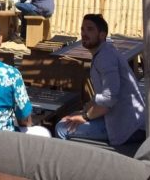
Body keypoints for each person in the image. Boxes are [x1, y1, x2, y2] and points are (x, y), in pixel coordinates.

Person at [55, 14, 145, 146]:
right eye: (83, 29)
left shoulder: (105, 57)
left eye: (90, 29)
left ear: (102, 35)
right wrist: (84, 110)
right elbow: (103, 97)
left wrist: (85, 117)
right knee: (70, 117)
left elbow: (109, 98)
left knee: (62, 128)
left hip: (128, 128)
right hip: (124, 120)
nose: (84, 33)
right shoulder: (105, 53)